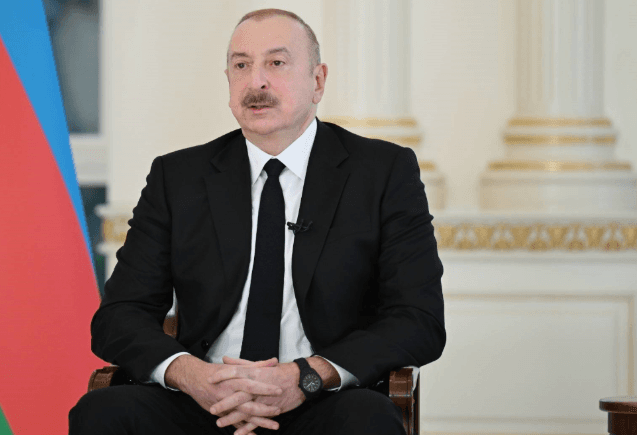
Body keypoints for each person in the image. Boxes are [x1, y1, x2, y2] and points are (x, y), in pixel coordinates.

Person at [70, 8, 445, 435]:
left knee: (367, 421)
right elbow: (119, 316)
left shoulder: (381, 172)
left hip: (322, 399)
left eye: (276, 63)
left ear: (318, 80)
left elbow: (418, 319)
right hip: (204, 399)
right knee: (103, 412)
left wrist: (307, 376)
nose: (256, 82)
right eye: (241, 65)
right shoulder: (178, 177)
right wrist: (190, 374)